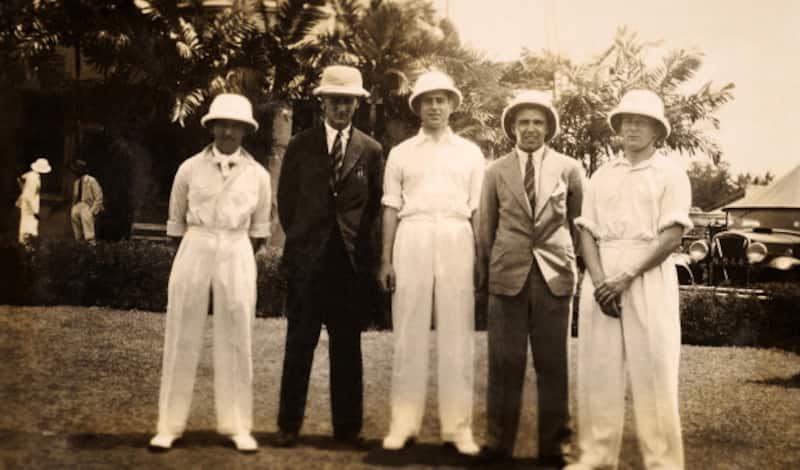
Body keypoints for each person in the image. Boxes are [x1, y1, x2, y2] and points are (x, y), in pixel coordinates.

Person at [566, 90, 691, 470]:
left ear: (658, 130)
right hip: (602, 274)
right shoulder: (602, 174)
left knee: (655, 369)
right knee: (598, 368)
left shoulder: (671, 173)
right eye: (626, 120)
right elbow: (586, 231)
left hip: (647, 273)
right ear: (617, 128)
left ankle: (664, 463)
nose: (633, 127)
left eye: (642, 121)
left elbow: (672, 236)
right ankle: (597, 456)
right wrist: (601, 279)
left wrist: (627, 276)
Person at [149, 93, 271, 453]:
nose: (229, 132)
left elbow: (259, 233)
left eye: (236, 126)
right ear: (212, 127)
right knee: (181, 332)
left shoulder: (259, 175)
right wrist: (199, 250)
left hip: (236, 248)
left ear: (246, 131)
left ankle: (236, 426)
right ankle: (169, 426)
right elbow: (175, 229)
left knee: (237, 334)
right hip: (196, 245)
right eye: (223, 124)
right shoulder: (189, 168)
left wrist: (230, 252)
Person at [275, 65, 384, 448]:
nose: (341, 107)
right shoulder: (301, 146)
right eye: (335, 100)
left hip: (349, 266)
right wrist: (305, 241)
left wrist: (363, 254)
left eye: (348, 101)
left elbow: (373, 211)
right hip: (308, 263)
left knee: (347, 347)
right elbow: (286, 203)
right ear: (323, 102)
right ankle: (289, 425)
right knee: (299, 343)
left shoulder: (371, 151)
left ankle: (347, 428)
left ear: (357, 104)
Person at [378, 70, 484, 456]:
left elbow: (477, 210)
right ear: (418, 107)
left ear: (453, 105)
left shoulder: (471, 153)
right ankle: (403, 424)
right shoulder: (401, 152)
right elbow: (390, 206)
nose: (435, 106)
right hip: (414, 235)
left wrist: (480, 257)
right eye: (427, 100)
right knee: (409, 332)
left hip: (458, 238)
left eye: (442, 99)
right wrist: (386, 259)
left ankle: (459, 430)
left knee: (458, 334)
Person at [476, 90, 584, 466]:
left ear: (549, 127)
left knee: (553, 363)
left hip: (555, 276)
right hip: (508, 276)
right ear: (512, 127)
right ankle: (497, 444)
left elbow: (579, 223)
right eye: (523, 122)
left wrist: (579, 268)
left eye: (538, 122)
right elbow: (485, 230)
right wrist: (491, 270)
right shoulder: (495, 171)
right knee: (505, 363)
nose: (531, 129)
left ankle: (555, 447)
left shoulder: (570, 169)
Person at [16, 157, 51, 244]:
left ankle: (26, 244)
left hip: (29, 203)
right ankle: (27, 246)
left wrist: (23, 188)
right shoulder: (34, 179)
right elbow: (29, 196)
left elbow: (21, 178)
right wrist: (35, 211)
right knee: (29, 225)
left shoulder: (31, 174)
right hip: (29, 205)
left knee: (27, 224)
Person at [70, 159, 104, 244]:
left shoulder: (91, 180)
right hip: (79, 205)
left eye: (77, 169)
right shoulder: (77, 182)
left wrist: (93, 211)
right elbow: (75, 197)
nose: (75, 172)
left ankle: (90, 242)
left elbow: (99, 197)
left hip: (89, 205)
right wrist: (73, 207)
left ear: (82, 170)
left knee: (86, 216)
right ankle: (79, 241)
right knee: (74, 214)